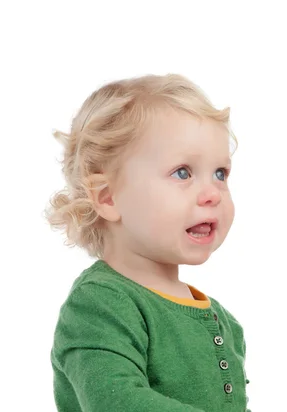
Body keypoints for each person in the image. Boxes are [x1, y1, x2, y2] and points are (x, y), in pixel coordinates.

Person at [46, 73, 250, 411]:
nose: (213, 193)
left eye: (220, 173)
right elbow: (119, 402)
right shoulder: (100, 305)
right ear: (108, 197)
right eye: (183, 172)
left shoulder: (223, 322)